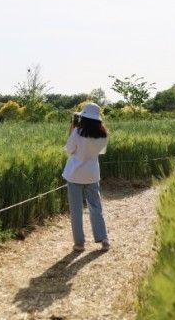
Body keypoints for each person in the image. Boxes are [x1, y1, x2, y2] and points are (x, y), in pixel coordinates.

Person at [62, 102, 110, 252]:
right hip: (92, 174)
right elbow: (101, 152)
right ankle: (104, 239)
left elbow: (69, 149)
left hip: (75, 175)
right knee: (96, 207)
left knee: (76, 210)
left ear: (83, 117)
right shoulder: (103, 134)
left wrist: (73, 128)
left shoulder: (77, 132)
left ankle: (79, 243)